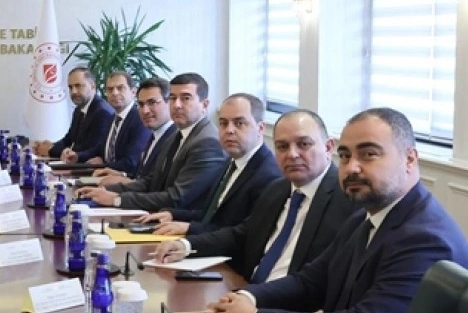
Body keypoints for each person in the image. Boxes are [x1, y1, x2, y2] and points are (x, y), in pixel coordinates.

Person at [204, 107, 468, 313]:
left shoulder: (425, 240)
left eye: (368, 154)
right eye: (345, 156)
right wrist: (246, 298)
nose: (352, 167)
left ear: (409, 159)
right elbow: (311, 282)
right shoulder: (366, 217)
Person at [153, 109, 359, 282]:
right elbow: (241, 235)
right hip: (246, 291)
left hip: (288, 306)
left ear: (328, 147)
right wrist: (186, 245)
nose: (292, 154)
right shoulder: (278, 189)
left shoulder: (348, 201)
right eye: (282, 146)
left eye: (304, 144)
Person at [78, 72, 226, 211]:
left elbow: (177, 197)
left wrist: (117, 199)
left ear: (204, 105)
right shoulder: (177, 135)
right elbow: (152, 182)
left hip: (180, 222)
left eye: (186, 98)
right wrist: (104, 190)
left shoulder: (207, 143)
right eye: (173, 98)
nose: (176, 105)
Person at [139, 94, 280, 235]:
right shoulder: (233, 161)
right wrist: (173, 214)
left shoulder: (268, 175)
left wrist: (189, 231)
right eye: (223, 123)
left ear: (260, 128)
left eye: (239, 123)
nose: (229, 130)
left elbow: (243, 235)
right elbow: (212, 214)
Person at [92, 77, 175, 184]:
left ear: (170, 102)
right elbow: (145, 177)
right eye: (141, 104)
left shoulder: (176, 139)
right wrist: (122, 175)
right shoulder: (154, 135)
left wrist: (123, 189)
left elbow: (161, 188)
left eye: (152, 102)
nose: (145, 111)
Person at [32, 68, 114, 161]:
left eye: (78, 86)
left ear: (92, 86)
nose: (74, 91)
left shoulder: (102, 112)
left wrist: (50, 150)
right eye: (70, 87)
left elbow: (90, 150)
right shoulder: (78, 110)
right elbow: (68, 140)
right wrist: (50, 146)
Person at [81, 72, 150, 177]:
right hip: (103, 176)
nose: (114, 93)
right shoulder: (112, 117)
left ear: (133, 92)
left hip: (124, 180)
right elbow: (100, 149)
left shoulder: (139, 119)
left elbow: (131, 162)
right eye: (110, 89)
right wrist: (77, 156)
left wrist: (102, 166)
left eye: (120, 88)